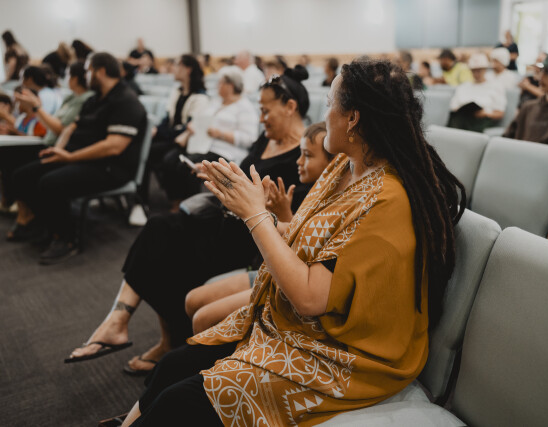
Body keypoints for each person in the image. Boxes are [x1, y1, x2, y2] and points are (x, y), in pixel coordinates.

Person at [113, 58, 464, 427]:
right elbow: (306, 237)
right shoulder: (343, 167)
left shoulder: (386, 200)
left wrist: (255, 215)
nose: (324, 113)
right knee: (173, 365)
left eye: (329, 104)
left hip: (339, 355)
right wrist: (250, 204)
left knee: (179, 403)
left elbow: (310, 298)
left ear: (352, 118)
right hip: (292, 327)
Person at [65, 67, 312, 378]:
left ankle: (145, 332)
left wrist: (257, 202)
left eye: (265, 110)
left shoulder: (306, 155)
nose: (261, 118)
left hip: (250, 238)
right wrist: (220, 176)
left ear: (290, 107)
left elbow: (294, 216)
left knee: (163, 249)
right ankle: (127, 323)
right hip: (223, 220)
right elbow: (245, 176)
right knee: (158, 229)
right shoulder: (266, 139)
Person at [184, 122, 333, 334]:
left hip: (289, 277)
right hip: (266, 268)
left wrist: (273, 213)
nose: (298, 161)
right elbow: (289, 230)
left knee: (203, 318)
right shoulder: (308, 191)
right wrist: (262, 210)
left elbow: (299, 251)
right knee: (192, 300)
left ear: (333, 164)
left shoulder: (319, 198)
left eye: (307, 155)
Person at [9, 52, 147, 264]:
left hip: (110, 168)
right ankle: (46, 225)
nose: (86, 75)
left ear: (100, 71)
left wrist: (70, 157)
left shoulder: (126, 101)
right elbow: (71, 128)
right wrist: (59, 150)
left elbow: (113, 147)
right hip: (79, 157)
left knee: (50, 183)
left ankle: (66, 239)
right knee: (22, 176)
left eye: (88, 71)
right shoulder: (94, 99)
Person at [1, 62, 94, 220]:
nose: (65, 78)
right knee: (7, 156)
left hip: (55, 144)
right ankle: (22, 210)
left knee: (16, 165)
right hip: (50, 142)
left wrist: (35, 107)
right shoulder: (71, 97)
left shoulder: (84, 99)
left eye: (68, 74)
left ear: (75, 78)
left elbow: (59, 128)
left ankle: (29, 214)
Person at [156, 65, 258, 206]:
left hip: (224, 151)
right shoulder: (216, 102)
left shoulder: (245, 107)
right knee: (170, 159)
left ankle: (189, 205)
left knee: (188, 167)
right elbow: (201, 119)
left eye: (220, 82)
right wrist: (193, 126)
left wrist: (221, 134)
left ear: (230, 85)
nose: (217, 86)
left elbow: (249, 139)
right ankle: (176, 201)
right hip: (202, 145)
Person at [143, 54, 209, 209]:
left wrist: (165, 132)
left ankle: (174, 200)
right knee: (143, 147)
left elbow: (188, 127)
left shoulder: (200, 98)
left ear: (188, 69)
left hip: (185, 141)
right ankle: (143, 199)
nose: (174, 69)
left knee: (167, 158)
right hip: (171, 136)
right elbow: (168, 119)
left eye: (178, 65)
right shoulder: (177, 91)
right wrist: (157, 129)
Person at [448, 53, 506, 133]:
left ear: (485, 69)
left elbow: (500, 113)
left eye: (479, 70)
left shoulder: (496, 87)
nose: (476, 74)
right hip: (462, 118)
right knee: (455, 120)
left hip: (482, 120)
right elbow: (453, 107)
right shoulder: (463, 87)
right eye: (473, 70)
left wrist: (485, 113)